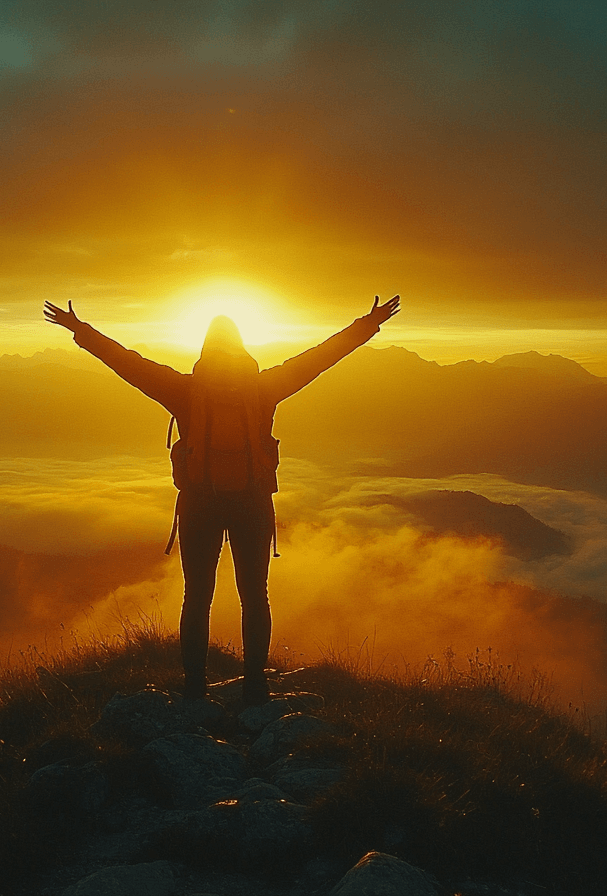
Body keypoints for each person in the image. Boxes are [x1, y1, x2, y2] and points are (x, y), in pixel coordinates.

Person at [45, 295, 400, 704]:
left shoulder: (183, 390)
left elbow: (128, 363)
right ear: (242, 346)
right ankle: (255, 685)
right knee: (255, 595)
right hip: (252, 503)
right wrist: (368, 324)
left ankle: (194, 688)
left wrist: (81, 330)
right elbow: (318, 358)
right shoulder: (265, 388)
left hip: (200, 504)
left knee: (197, 595)